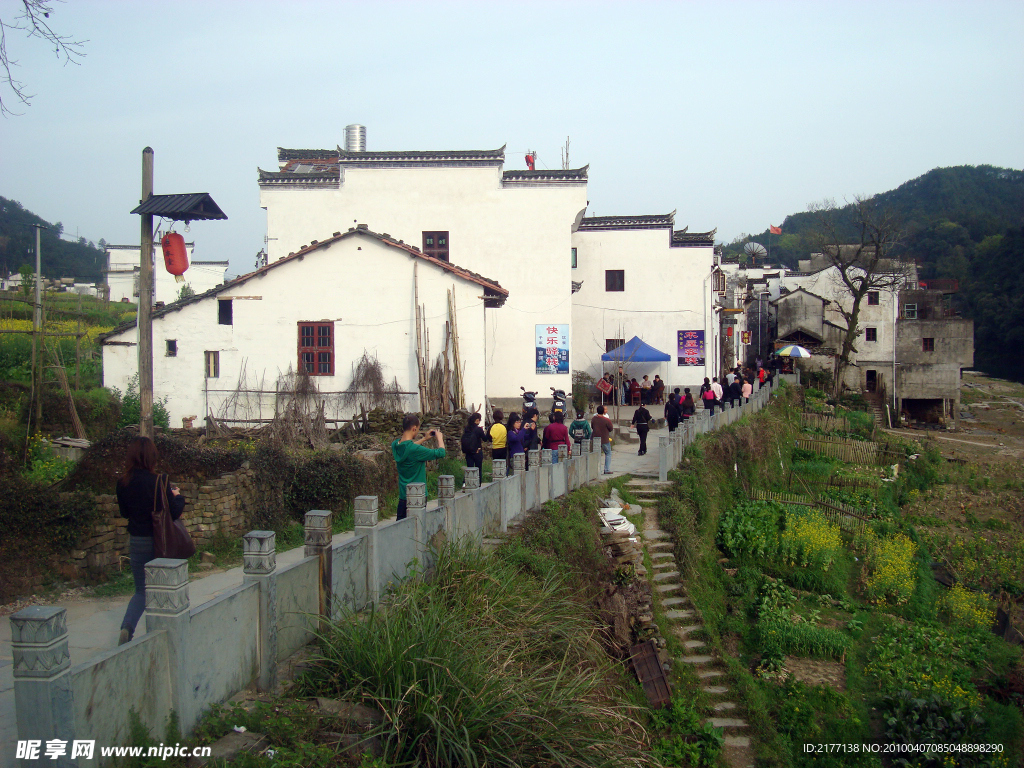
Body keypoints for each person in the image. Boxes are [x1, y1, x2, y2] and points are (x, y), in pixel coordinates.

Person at [116, 436, 186, 645]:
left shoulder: (123, 482)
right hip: (158, 542)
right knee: (164, 587)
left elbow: (124, 513)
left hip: (136, 541)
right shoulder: (159, 481)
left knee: (141, 591)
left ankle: (127, 627)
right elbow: (173, 513)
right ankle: (166, 635)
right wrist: (177, 496)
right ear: (152, 457)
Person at [392, 413, 446, 521]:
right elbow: (441, 453)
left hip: (403, 496)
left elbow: (409, 447)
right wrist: (440, 438)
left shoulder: (395, 445)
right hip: (418, 496)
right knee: (417, 530)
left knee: (400, 528)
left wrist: (424, 439)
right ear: (414, 428)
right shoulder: (415, 450)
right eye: (417, 429)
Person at [591, 405, 615, 475]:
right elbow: (611, 428)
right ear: (603, 412)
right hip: (604, 439)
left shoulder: (594, 419)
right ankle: (606, 469)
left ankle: (595, 470)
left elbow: (592, 427)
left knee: (596, 454)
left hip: (595, 439)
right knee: (608, 453)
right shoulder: (606, 420)